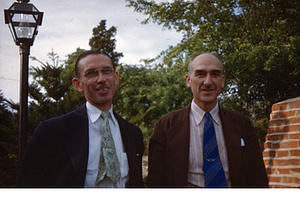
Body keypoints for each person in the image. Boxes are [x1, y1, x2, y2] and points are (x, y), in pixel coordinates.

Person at [16, 50, 144, 188]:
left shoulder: (133, 133)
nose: (101, 79)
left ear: (116, 77)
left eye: (107, 71)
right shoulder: (51, 131)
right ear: (78, 84)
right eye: (91, 73)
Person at [147, 52, 269, 188]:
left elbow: (257, 179)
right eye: (200, 74)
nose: (208, 82)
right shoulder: (165, 126)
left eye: (215, 74)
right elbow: (155, 183)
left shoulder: (242, 124)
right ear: (188, 80)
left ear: (222, 81)